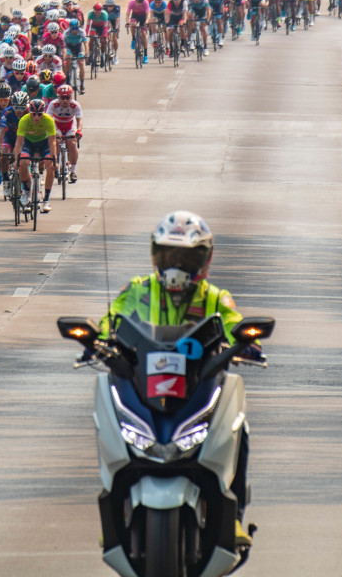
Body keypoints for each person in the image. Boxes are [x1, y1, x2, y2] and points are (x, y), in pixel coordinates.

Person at [96, 210, 255, 547]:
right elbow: (111, 320)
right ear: (156, 255)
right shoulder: (137, 290)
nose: (177, 265)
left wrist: (246, 342)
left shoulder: (215, 296)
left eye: (187, 257)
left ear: (204, 259)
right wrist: (100, 341)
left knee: (238, 428)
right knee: (111, 417)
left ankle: (235, 515)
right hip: (144, 381)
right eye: (171, 255)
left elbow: (233, 323)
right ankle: (117, 502)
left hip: (199, 383)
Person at [13, 97, 58, 213]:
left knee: (50, 164)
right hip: (29, 143)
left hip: (44, 144)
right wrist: (16, 160)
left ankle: (46, 199)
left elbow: (52, 141)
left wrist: (54, 158)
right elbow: (18, 143)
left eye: (39, 114)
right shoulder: (24, 120)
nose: (37, 117)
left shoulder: (49, 120)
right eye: (34, 114)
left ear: (43, 113)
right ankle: (26, 190)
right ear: (30, 113)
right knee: (23, 162)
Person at [46, 84, 82, 183]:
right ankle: (56, 165)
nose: (65, 100)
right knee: (56, 142)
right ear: (58, 97)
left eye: (67, 98)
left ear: (71, 97)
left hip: (70, 124)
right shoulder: (53, 104)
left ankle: (73, 171)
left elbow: (79, 121)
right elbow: (48, 120)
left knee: (72, 143)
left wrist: (78, 131)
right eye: (62, 98)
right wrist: (51, 133)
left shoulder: (75, 105)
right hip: (56, 124)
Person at [62, 19, 86, 94]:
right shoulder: (66, 33)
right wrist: (64, 56)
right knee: (68, 60)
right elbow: (63, 46)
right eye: (73, 29)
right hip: (69, 47)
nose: (75, 31)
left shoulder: (82, 32)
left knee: (81, 63)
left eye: (76, 29)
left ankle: (82, 85)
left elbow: (86, 44)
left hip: (78, 48)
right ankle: (68, 78)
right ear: (70, 28)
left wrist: (87, 53)